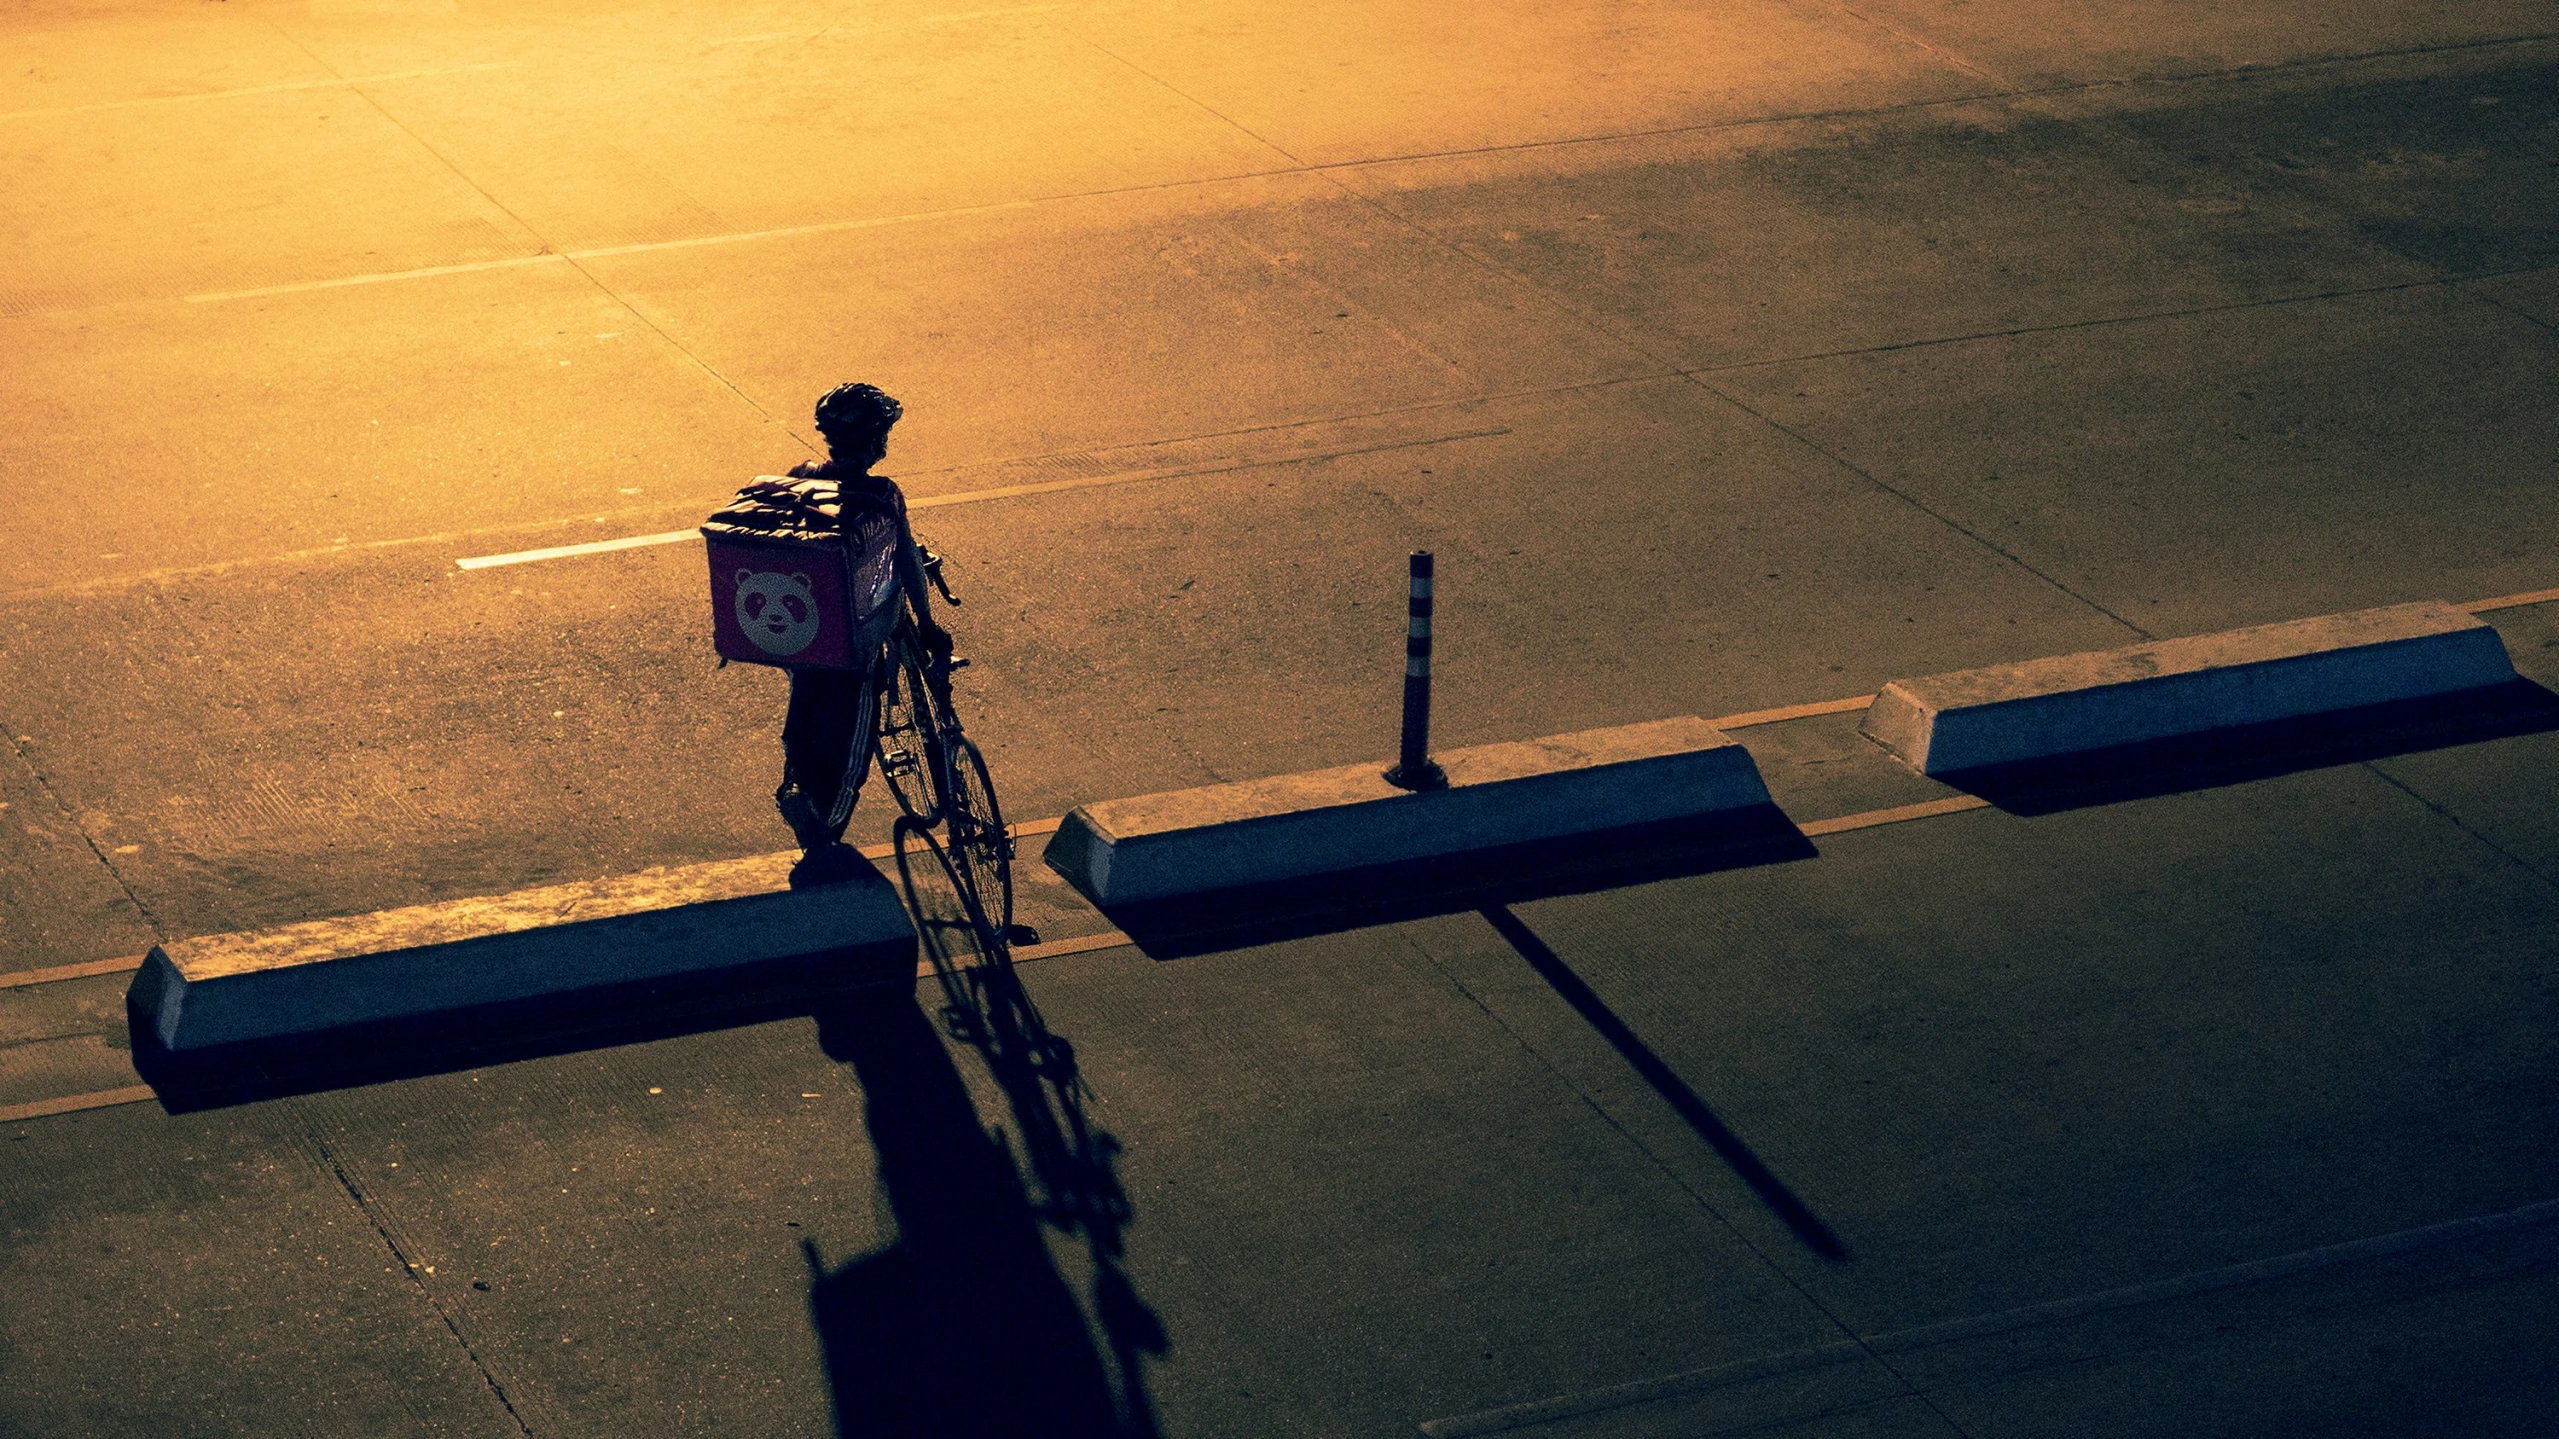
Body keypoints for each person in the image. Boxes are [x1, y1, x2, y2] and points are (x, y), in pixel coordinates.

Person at [774, 382, 947, 858]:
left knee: (807, 710)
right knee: (855, 734)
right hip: (856, 641)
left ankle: (795, 786)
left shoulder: (802, 476)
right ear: (876, 442)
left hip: (804, 632)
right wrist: (928, 624)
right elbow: (907, 563)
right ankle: (825, 830)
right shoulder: (883, 494)